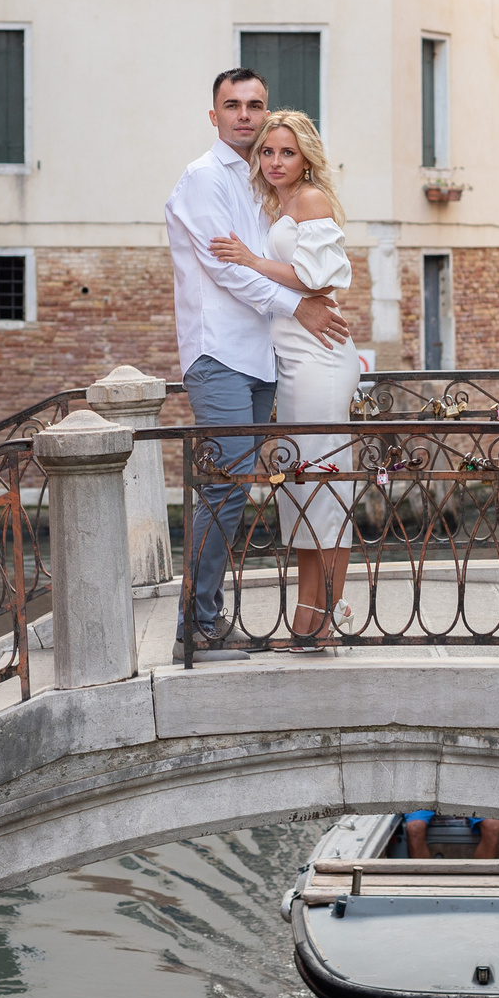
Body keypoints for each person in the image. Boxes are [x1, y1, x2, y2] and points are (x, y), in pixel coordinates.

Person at [165, 71, 351, 651]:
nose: (244, 116)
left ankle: (310, 624)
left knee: (267, 483)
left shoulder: (264, 186)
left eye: (255, 106)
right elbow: (227, 270)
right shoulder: (202, 180)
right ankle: (196, 626)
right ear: (214, 114)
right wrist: (301, 307)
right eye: (232, 106)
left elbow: (308, 265)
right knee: (225, 486)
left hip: (269, 358)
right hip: (219, 353)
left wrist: (302, 307)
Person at [209, 111, 359, 648]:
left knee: (324, 484)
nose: (274, 162)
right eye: (267, 152)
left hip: (318, 357)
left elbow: (317, 279)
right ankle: (307, 623)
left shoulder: (311, 200)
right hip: (294, 358)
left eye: (286, 153)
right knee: (302, 487)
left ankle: (327, 624)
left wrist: (249, 259)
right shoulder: (280, 203)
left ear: (306, 158)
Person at [401, 812, 499, 860]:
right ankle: (423, 884)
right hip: (427, 790)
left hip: (468, 789)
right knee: (415, 828)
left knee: (493, 826)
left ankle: (481, 881)